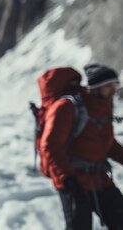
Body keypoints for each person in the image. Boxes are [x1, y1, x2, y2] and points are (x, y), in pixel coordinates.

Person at [41, 64, 123, 229]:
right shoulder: (67, 107)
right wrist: (68, 179)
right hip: (74, 182)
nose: (113, 90)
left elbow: (106, 143)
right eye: (109, 86)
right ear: (96, 87)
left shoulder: (103, 107)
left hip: (99, 178)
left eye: (115, 85)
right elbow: (50, 146)